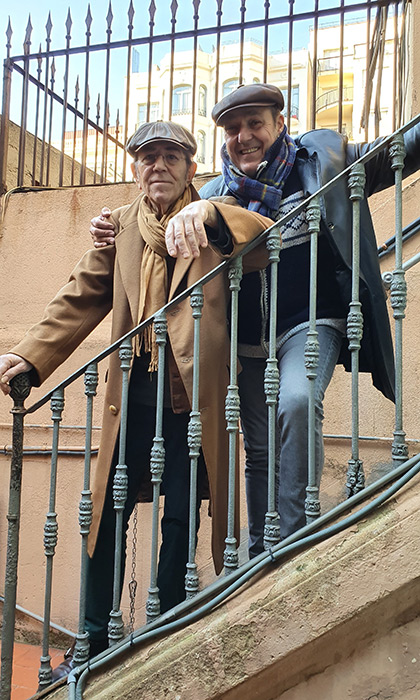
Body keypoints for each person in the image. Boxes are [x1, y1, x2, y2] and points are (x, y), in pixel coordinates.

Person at [90, 84, 420, 560]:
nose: (243, 136)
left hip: (311, 323)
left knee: (298, 401)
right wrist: (109, 228)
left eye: (254, 124)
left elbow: (396, 153)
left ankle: (293, 542)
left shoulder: (323, 162)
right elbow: (158, 240)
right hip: (245, 344)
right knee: (260, 448)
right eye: (232, 129)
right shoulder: (214, 194)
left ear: (280, 124)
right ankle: (262, 553)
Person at [0, 120, 273, 673]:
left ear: (191, 168)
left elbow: (264, 238)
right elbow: (81, 295)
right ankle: (93, 640)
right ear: (135, 168)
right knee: (107, 511)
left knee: (182, 510)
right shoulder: (121, 227)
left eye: (172, 157)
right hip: (134, 388)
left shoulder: (211, 212)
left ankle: (166, 628)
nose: (160, 167)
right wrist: (30, 355)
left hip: (192, 393)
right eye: (148, 158)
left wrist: (213, 214)